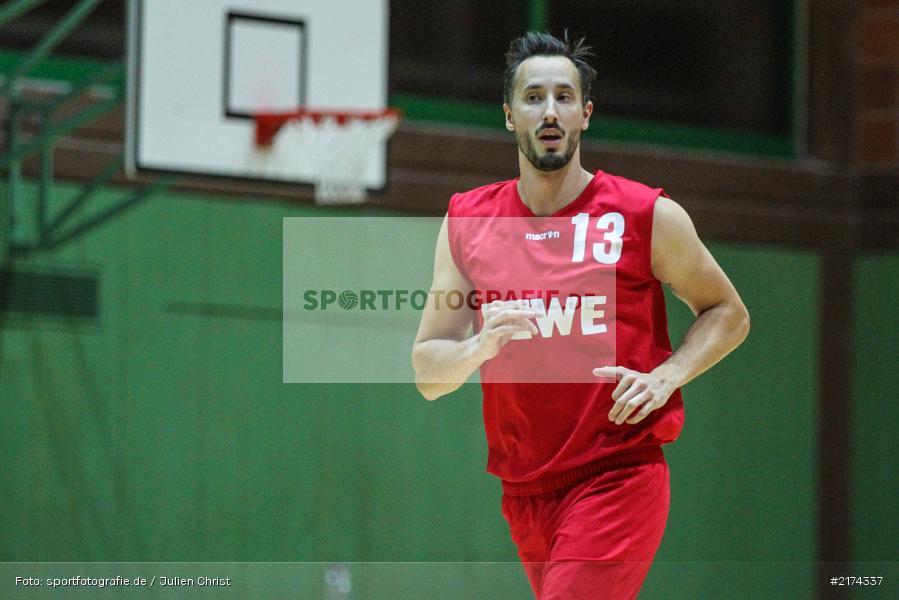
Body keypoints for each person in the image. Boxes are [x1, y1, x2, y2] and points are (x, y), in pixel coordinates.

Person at [411, 31, 749, 600]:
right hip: (524, 489)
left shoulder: (646, 214)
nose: (550, 110)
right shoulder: (467, 222)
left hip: (617, 474)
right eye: (534, 97)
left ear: (585, 115)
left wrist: (668, 375)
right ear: (509, 116)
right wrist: (477, 348)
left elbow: (729, 312)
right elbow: (427, 371)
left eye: (565, 97)